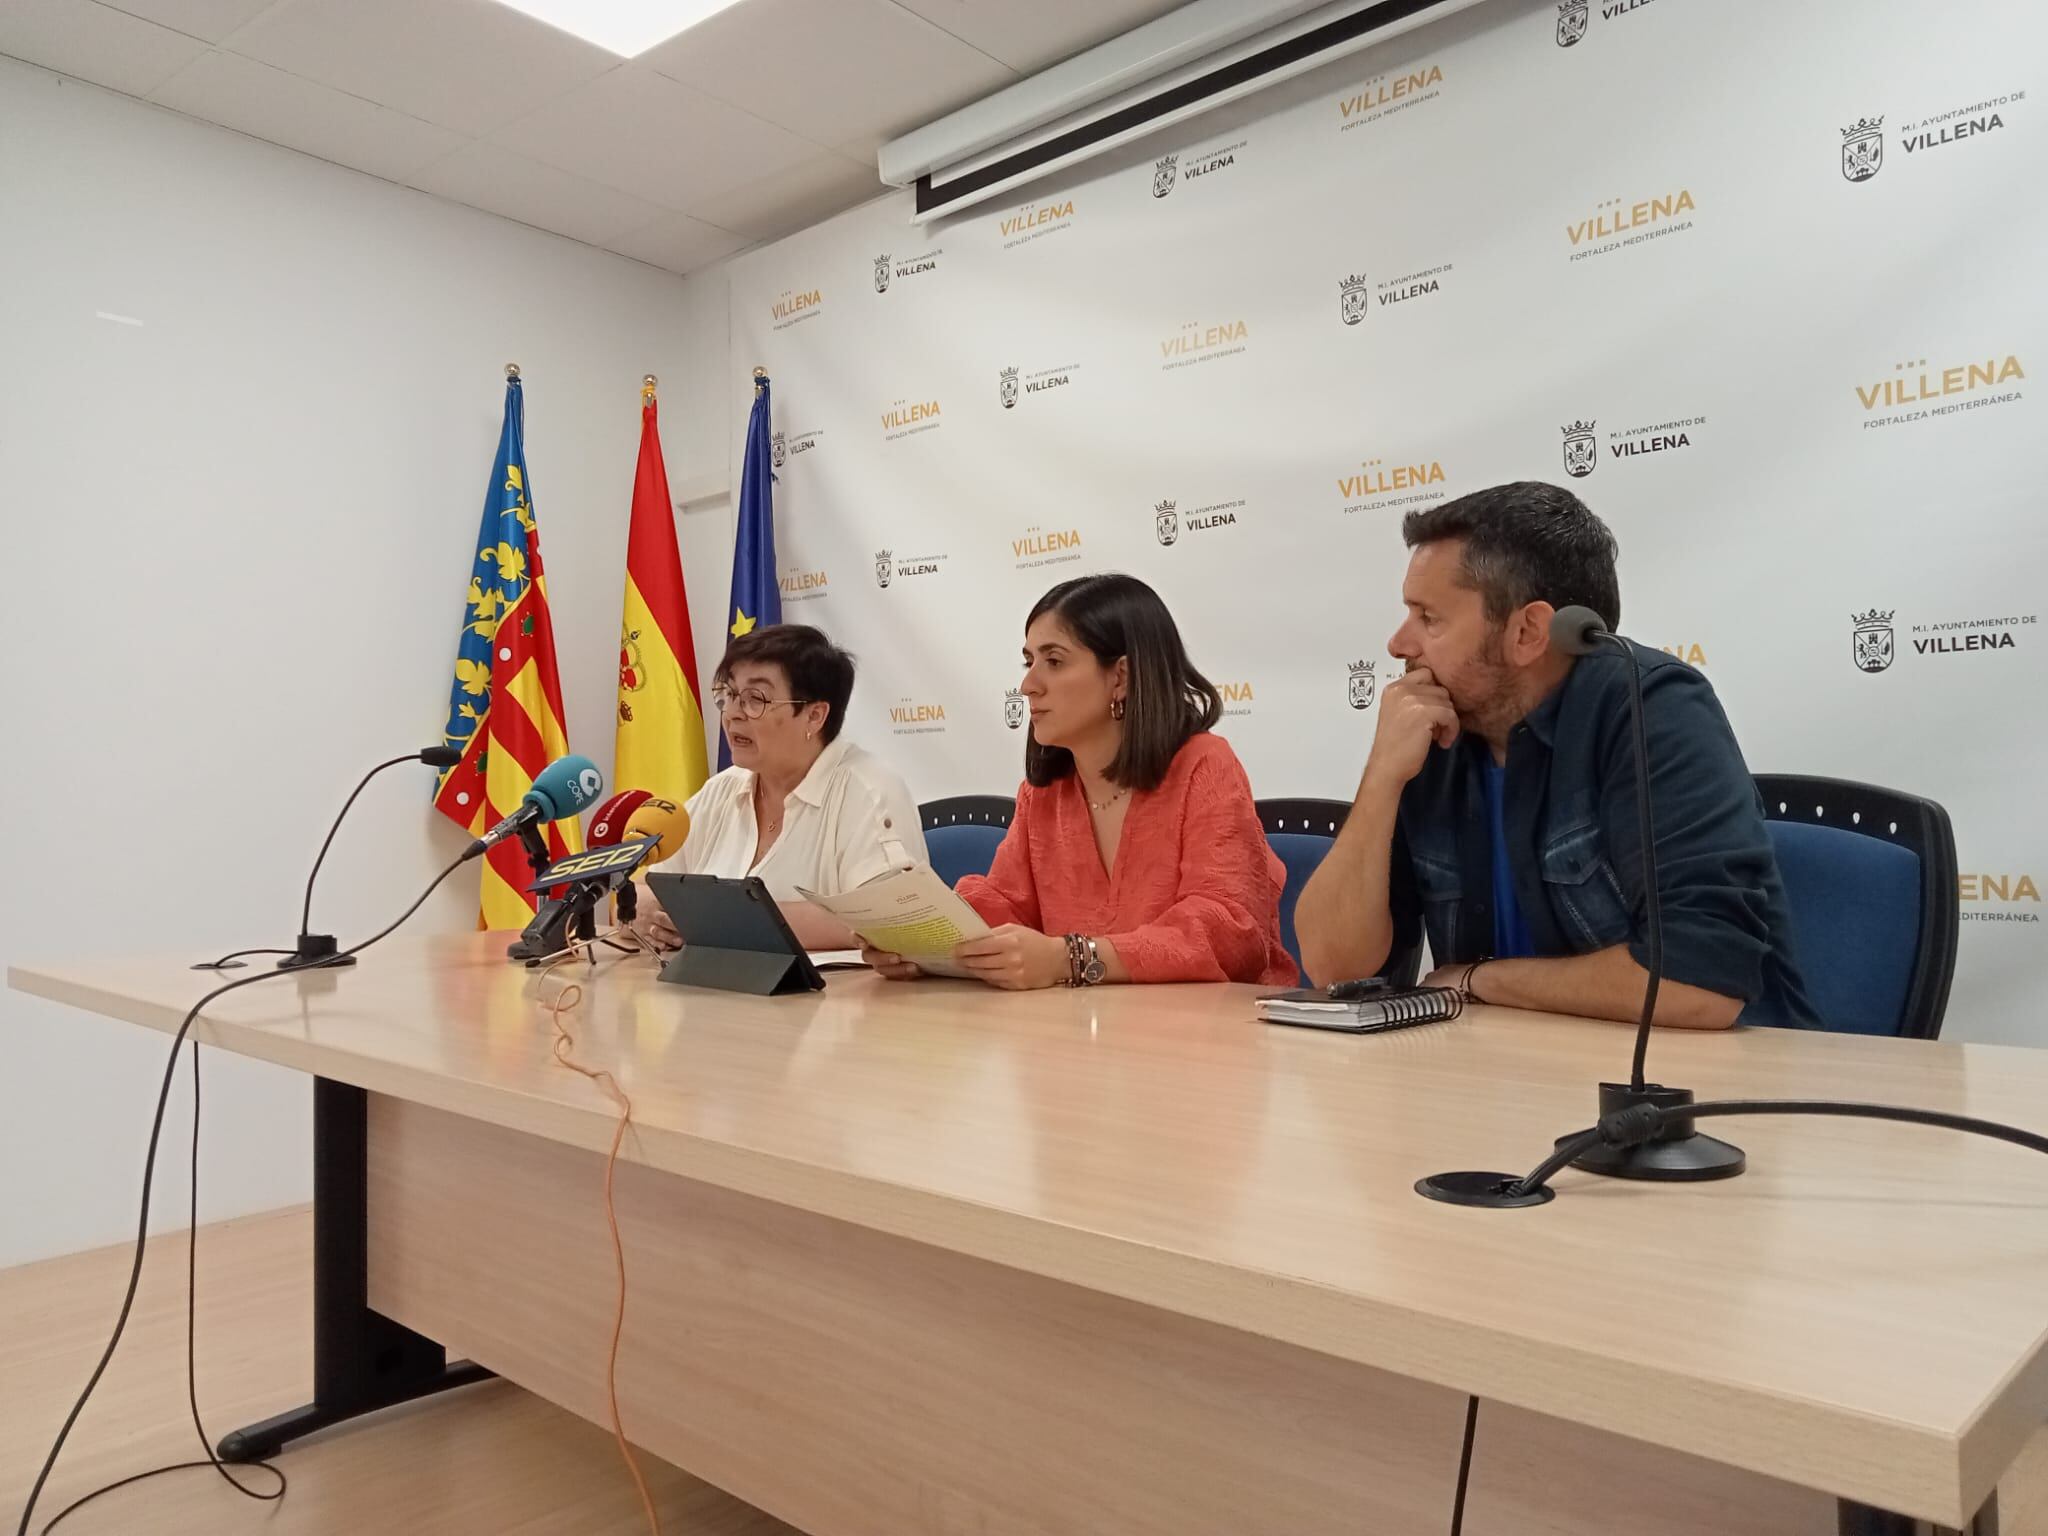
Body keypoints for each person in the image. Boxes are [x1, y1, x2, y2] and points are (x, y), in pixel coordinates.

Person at [1295, 481, 1817, 1030]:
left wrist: (1478, 979)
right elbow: (1334, 967)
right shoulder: (1434, 729)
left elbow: (1698, 986)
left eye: (1429, 618)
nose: (1398, 644)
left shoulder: (1651, 710)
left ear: (1527, 632)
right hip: (1512, 1079)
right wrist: (1382, 777)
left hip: (1705, 1090)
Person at [864, 573, 1296, 990]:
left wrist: (1071, 957)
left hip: (1213, 1043)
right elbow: (1004, 906)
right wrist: (919, 940)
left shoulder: (1205, 765)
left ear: (1121, 677)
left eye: (1053, 661)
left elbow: (1229, 931)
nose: (1028, 685)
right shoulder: (1045, 792)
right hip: (1081, 1040)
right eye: (1028, 661)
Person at [642, 624, 925, 951]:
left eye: (755, 699)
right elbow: (649, 891)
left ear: (814, 716)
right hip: (718, 992)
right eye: (730, 695)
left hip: (835, 998)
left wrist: (717, 922)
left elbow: (888, 919)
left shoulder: (869, 792)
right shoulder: (722, 790)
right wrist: (646, 914)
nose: (732, 714)